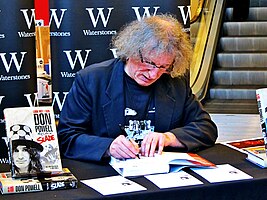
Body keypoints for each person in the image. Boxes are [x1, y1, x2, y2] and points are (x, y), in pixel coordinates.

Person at [57, 14, 218, 162]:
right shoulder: (91, 80)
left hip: (162, 175)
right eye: (149, 63)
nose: (154, 74)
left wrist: (169, 137)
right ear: (131, 50)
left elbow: (206, 128)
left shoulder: (175, 83)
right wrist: (108, 147)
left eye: (164, 66)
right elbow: (66, 137)